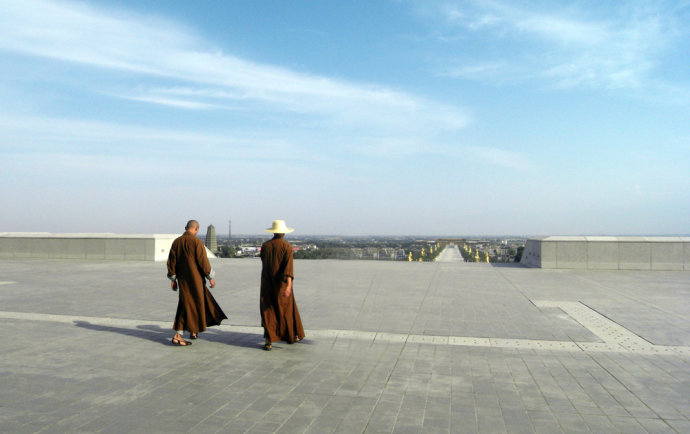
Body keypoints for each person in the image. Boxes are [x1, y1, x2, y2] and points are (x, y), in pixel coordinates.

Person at [167, 219, 227, 346]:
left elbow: (172, 262)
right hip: (196, 281)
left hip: (183, 280)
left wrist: (173, 279)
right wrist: (210, 276)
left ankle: (194, 330)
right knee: (190, 304)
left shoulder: (176, 242)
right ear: (196, 229)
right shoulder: (196, 242)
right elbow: (203, 262)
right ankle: (178, 335)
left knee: (190, 303)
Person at [260, 220, 305, 350]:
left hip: (267, 283)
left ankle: (269, 340)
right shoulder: (287, 247)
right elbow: (288, 269)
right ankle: (291, 336)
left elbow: (264, 261)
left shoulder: (265, 246)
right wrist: (289, 286)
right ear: (284, 233)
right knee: (286, 310)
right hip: (282, 284)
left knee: (269, 311)